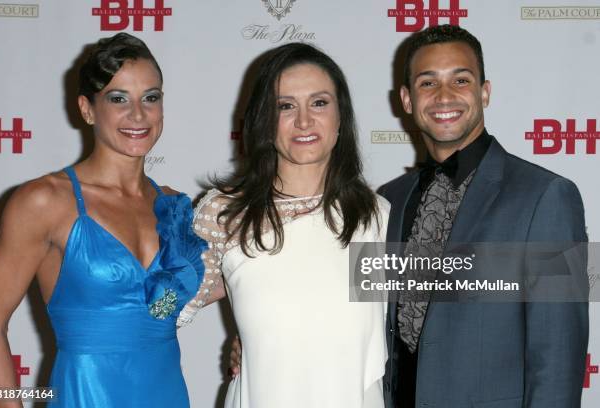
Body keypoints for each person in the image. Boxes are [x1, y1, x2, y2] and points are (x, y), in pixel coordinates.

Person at [0, 33, 210, 407]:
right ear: (87, 109)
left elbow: (162, 307)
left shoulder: (174, 205)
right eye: (118, 98)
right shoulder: (44, 201)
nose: (138, 114)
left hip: (167, 394)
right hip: (85, 395)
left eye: (150, 98)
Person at [378, 25, 588, 407]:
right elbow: (366, 320)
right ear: (407, 100)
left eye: (461, 79)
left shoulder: (546, 196)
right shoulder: (388, 200)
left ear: (484, 92)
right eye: (428, 83)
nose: (444, 96)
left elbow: (557, 356)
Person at [177, 42, 390, 408]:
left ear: (341, 117)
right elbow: (168, 308)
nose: (304, 121)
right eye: (285, 106)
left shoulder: (375, 216)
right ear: (264, 120)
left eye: (319, 103)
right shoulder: (227, 213)